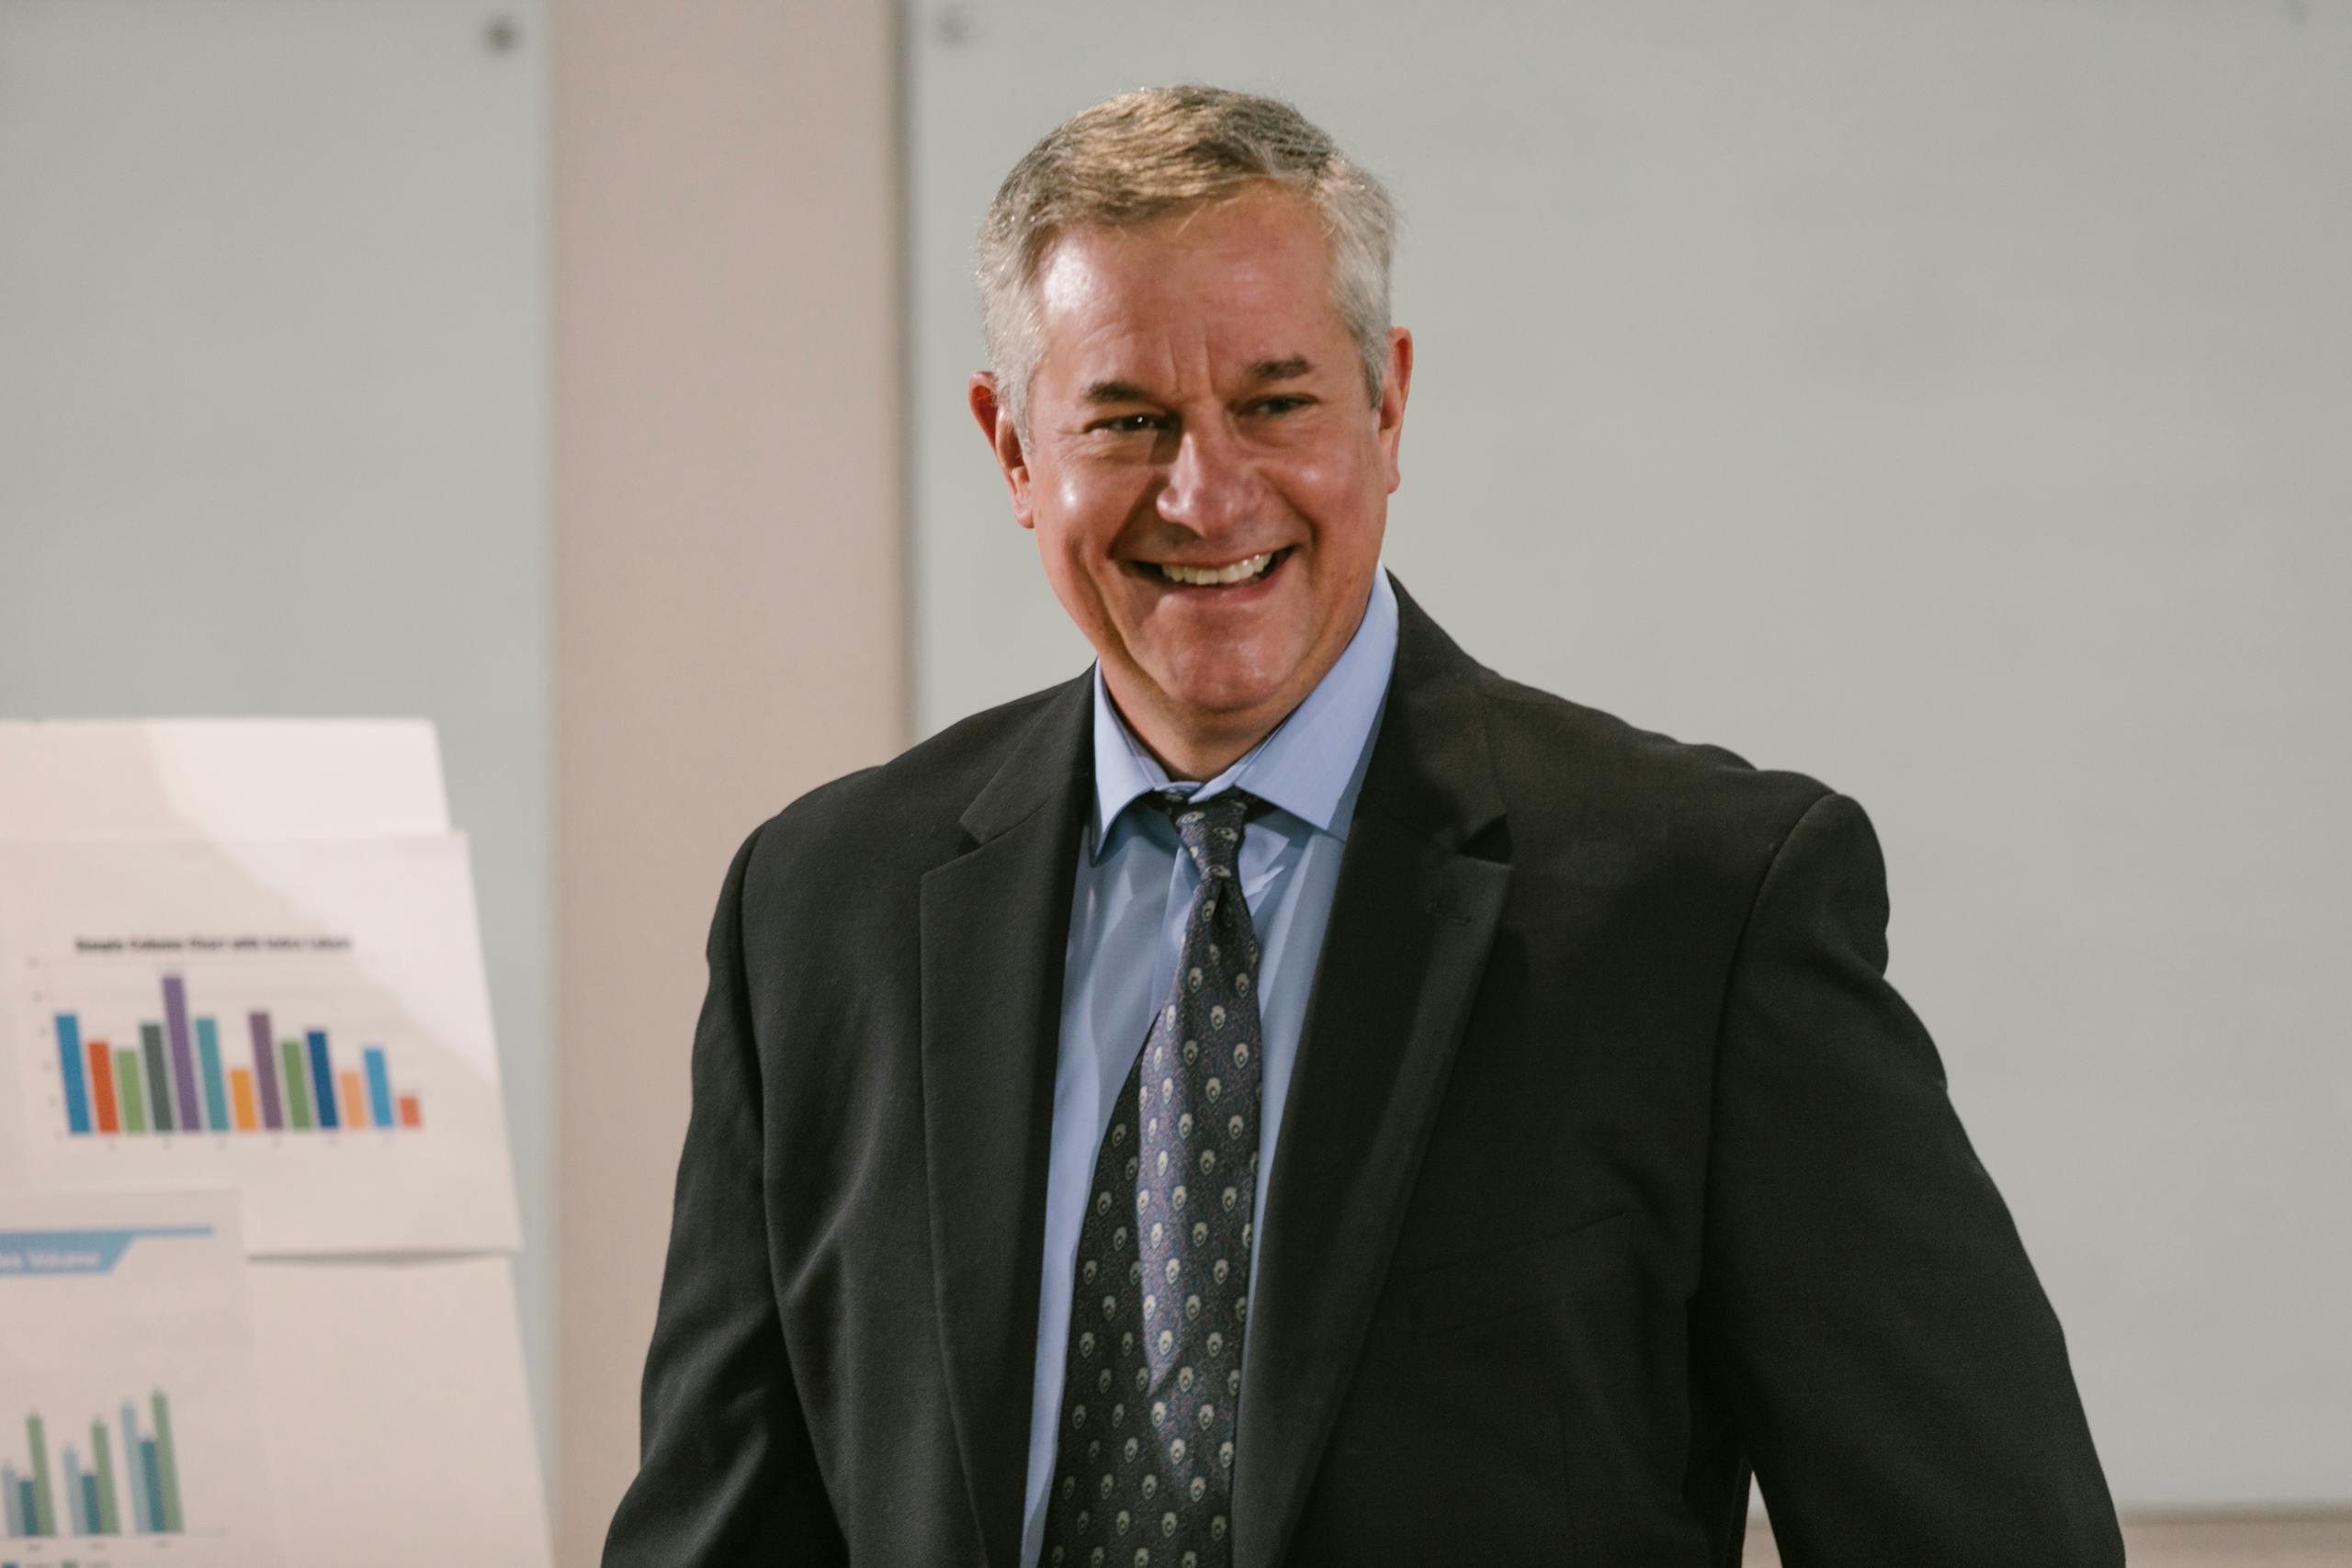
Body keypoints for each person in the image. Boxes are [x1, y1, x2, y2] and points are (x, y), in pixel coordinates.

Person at [603, 85, 2122, 1567]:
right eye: (1127, 420)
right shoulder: (820, 912)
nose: (1205, 496)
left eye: (1274, 404)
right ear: (1013, 448)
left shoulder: (1705, 906)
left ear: (1387, 406)